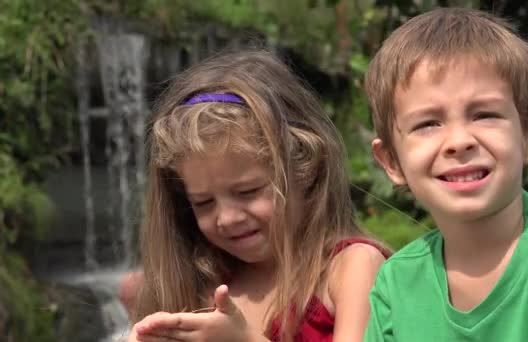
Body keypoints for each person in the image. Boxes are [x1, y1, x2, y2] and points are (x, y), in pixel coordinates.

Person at [363, 7, 528, 341]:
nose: (459, 141)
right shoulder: (395, 285)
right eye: (428, 123)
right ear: (391, 160)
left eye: (484, 115)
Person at [127, 49, 390, 342]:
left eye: (247, 191)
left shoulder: (351, 269)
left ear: (306, 169)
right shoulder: (210, 285)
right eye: (203, 202)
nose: (226, 218)